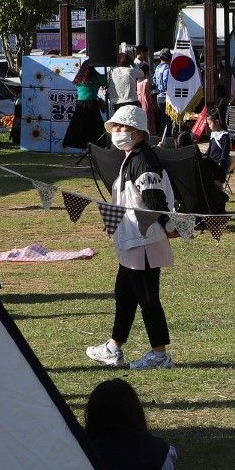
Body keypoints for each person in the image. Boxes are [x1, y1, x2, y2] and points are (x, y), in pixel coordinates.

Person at [87, 106, 178, 370]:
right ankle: (114, 347)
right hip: (132, 241)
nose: (116, 133)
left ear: (138, 133)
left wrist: (169, 225)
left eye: (122, 128)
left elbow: (154, 201)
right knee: (124, 295)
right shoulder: (131, 158)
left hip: (145, 241)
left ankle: (160, 354)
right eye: (114, 128)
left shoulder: (144, 160)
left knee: (148, 298)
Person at [64, 56, 109, 151]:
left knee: (78, 126)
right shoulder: (97, 78)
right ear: (93, 68)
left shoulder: (78, 78)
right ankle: (100, 145)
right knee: (96, 126)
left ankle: (79, 144)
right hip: (92, 104)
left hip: (80, 104)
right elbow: (106, 80)